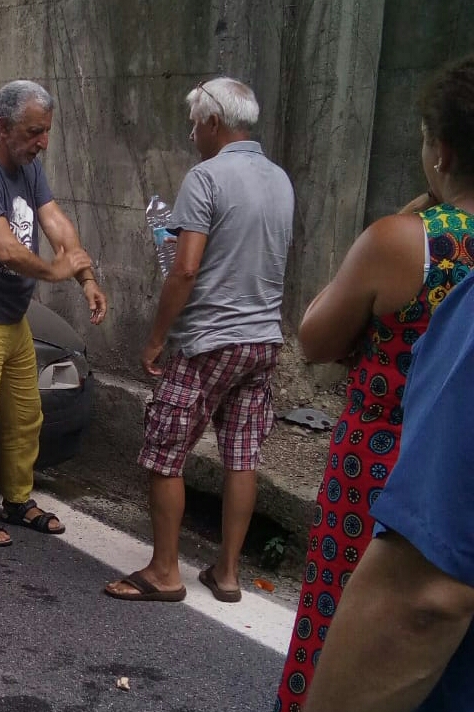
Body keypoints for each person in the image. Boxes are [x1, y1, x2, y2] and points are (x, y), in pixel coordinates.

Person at [275, 52, 474, 712]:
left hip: (383, 474)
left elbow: (315, 338)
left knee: (356, 615)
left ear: (441, 150)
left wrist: (396, 223)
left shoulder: (407, 241)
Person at [104, 77, 294, 601]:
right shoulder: (280, 180)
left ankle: (165, 572)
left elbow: (184, 270)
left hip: (209, 338)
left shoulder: (206, 177)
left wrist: (156, 338)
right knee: (241, 454)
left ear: (213, 121)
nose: (192, 133)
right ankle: (227, 573)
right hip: (262, 341)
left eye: (194, 123)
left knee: (165, 449)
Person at [0, 79, 108, 547]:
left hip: (11, 315)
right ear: (2, 127)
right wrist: (55, 272)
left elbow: (55, 223)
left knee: (24, 416)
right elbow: (6, 248)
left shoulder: (30, 168)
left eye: (46, 132)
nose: (42, 143)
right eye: (33, 132)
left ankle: (15, 498)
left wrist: (85, 278)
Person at [304, 266, 474, 712]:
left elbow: (422, 599)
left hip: (385, 474)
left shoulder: (399, 241)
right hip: (412, 479)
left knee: (346, 609)